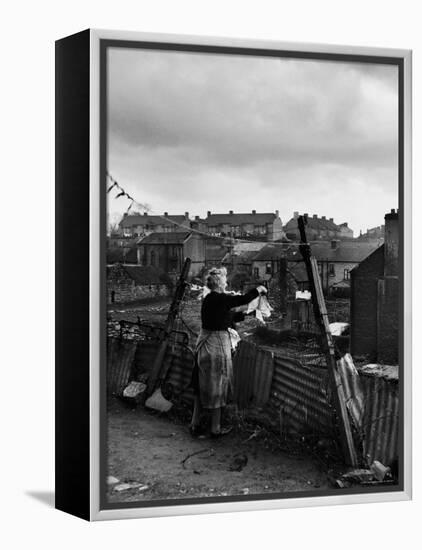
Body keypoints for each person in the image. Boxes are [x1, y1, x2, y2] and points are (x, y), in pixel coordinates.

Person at [190, 267, 267, 437]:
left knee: (201, 386)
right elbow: (243, 299)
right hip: (216, 348)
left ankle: (195, 424)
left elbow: (226, 317)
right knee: (218, 385)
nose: (226, 282)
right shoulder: (220, 297)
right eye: (224, 280)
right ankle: (215, 428)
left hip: (204, 346)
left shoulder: (210, 299)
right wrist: (259, 289)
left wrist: (249, 313)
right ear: (219, 283)